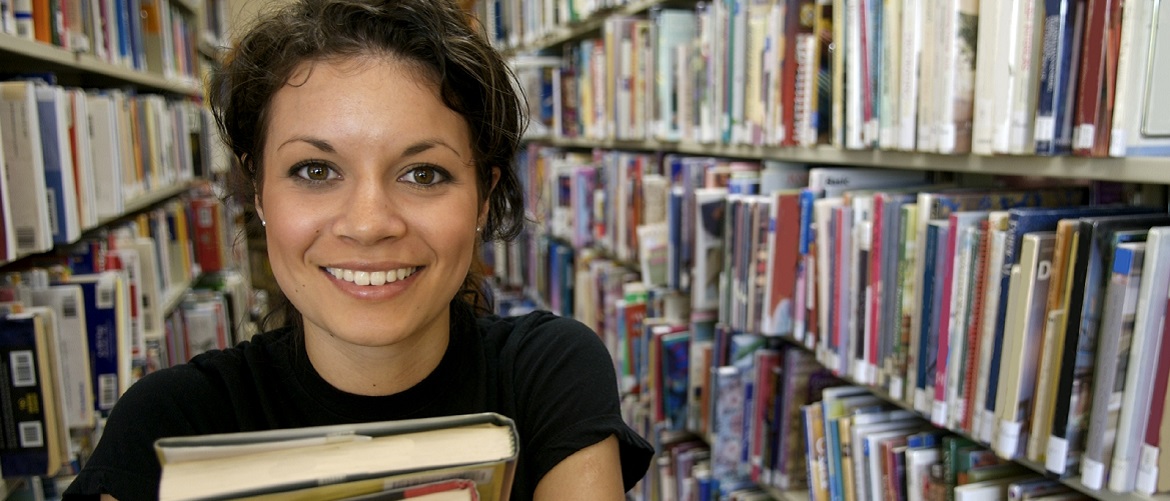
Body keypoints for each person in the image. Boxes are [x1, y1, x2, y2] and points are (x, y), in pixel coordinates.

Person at [63, 0, 654, 499]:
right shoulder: (168, 425)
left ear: (482, 199)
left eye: (423, 174)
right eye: (315, 169)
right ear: (260, 191)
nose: (369, 225)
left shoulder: (548, 374)